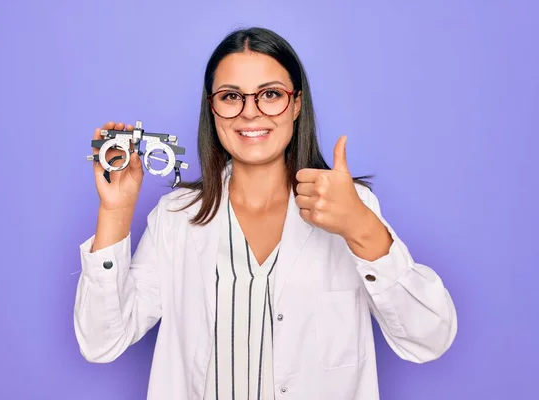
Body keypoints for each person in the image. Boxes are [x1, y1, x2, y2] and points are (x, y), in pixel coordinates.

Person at [74, 27, 457, 400]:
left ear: (296, 104)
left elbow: (429, 339)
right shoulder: (176, 217)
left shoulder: (352, 207)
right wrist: (116, 210)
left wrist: (361, 228)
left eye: (270, 94)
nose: (250, 113)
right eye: (230, 96)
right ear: (212, 108)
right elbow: (102, 341)